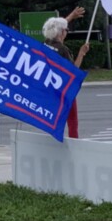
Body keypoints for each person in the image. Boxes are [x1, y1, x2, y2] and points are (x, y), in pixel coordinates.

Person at [42, 7, 90, 138]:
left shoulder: (46, 43)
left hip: (50, 89)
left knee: (54, 120)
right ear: (61, 33)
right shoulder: (63, 50)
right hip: (65, 90)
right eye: (65, 30)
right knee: (72, 121)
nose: (66, 32)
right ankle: (74, 144)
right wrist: (81, 53)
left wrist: (71, 16)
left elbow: (55, 26)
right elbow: (73, 71)